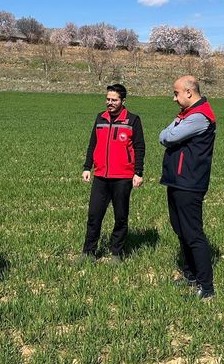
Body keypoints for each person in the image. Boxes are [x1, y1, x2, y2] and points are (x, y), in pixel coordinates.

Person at [159, 75, 217, 299]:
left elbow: (169, 136)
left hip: (189, 183)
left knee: (193, 234)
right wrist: (171, 131)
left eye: (176, 93)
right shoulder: (187, 114)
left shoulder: (199, 116)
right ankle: (190, 275)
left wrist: (172, 132)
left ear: (189, 93)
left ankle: (206, 288)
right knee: (180, 230)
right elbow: (164, 135)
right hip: (177, 180)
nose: (174, 98)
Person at [81, 83, 145, 263]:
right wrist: (87, 167)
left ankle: (116, 253)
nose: (110, 103)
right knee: (94, 216)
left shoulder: (132, 120)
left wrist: (138, 172)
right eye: (108, 99)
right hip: (101, 176)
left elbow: (139, 147)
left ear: (123, 101)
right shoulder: (100, 118)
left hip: (123, 177)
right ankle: (88, 253)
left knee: (120, 216)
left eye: (114, 100)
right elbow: (92, 144)